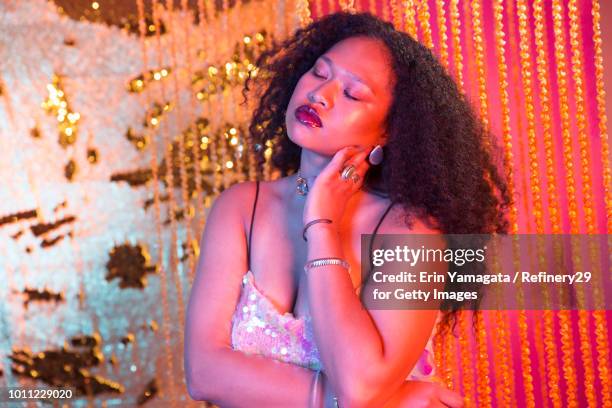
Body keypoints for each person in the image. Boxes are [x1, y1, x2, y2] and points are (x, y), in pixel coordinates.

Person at [185, 11, 509, 408]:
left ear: (390, 130)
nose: (320, 94)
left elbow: (360, 388)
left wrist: (321, 223)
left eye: (354, 93)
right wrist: (368, 400)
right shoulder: (241, 206)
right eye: (319, 74)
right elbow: (202, 374)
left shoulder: (413, 232)